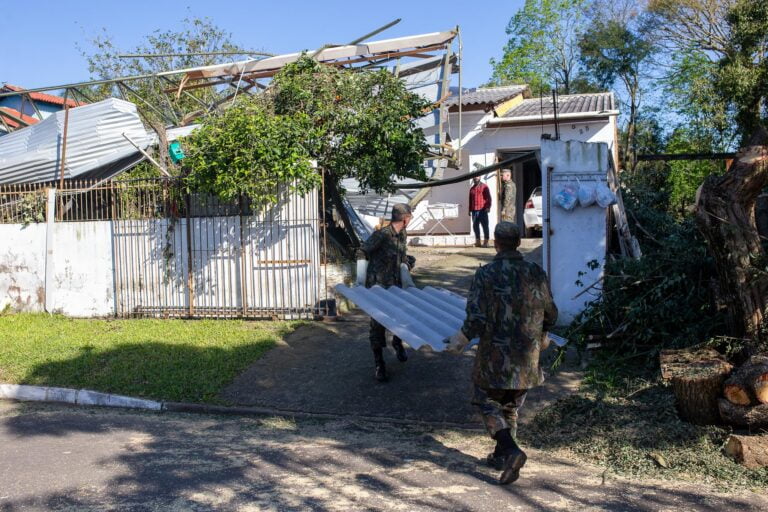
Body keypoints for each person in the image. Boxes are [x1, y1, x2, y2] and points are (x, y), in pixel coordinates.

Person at [443, 221, 558, 485]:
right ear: (518, 243)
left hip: (494, 360)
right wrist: (543, 334)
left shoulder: (486, 274)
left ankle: (511, 450)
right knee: (511, 406)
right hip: (527, 358)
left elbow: (476, 317)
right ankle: (501, 457)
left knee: (487, 403)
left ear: (496, 242)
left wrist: (461, 338)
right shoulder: (536, 272)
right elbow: (551, 312)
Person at [357, 203, 415, 382]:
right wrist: (360, 276)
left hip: (396, 285)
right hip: (378, 287)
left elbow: (400, 254)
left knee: (400, 316)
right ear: (405, 219)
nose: (409, 220)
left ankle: (397, 343)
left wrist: (407, 263)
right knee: (378, 325)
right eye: (409, 217)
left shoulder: (402, 234)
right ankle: (379, 363)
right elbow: (361, 251)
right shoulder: (381, 235)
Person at [468, 175, 492, 247]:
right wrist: (469, 210)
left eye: (477, 176)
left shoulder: (484, 187)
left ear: (480, 177)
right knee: (475, 226)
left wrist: (488, 207)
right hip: (474, 211)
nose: (475, 178)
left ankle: (486, 242)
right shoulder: (471, 189)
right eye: (474, 177)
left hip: (482, 210)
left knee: (485, 226)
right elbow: (470, 201)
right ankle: (478, 242)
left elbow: (489, 198)